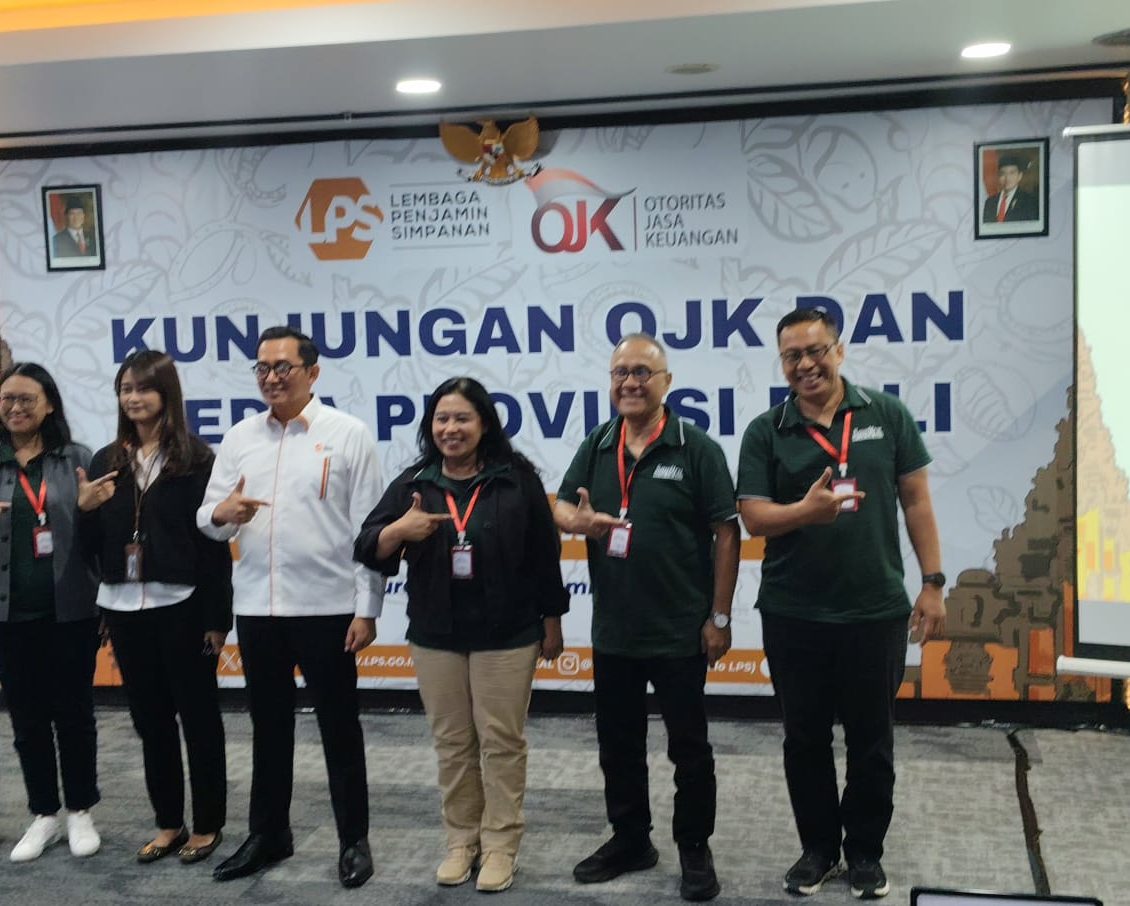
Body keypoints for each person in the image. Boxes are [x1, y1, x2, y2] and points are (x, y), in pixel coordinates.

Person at [736, 308, 945, 900]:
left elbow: (917, 502)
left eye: (815, 351)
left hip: (874, 612)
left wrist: (933, 582)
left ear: (839, 350)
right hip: (793, 614)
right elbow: (753, 516)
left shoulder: (887, 414)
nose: (805, 365)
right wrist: (805, 512)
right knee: (804, 740)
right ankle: (819, 850)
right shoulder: (766, 430)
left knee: (871, 741)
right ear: (781, 363)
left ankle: (866, 854)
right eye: (792, 356)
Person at [354, 377, 567, 894]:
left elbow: (545, 555)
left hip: (508, 633)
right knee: (452, 743)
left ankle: (500, 845)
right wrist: (398, 532)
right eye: (442, 419)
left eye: (462, 418)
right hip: (436, 634)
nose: (451, 428)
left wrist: (553, 621)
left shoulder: (516, 479)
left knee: (501, 742)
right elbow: (366, 546)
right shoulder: (415, 483)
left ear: (484, 424)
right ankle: (461, 842)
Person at [552, 334, 739, 902]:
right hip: (615, 630)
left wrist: (719, 616)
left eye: (641, 372)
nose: (629, 383)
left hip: (681, 629)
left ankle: (694, 846)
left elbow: (727, 533)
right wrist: (577, 522)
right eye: (620, 373)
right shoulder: (597, 442)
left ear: (665, 382)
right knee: (618, 745)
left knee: (689, 747)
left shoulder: (696, 448)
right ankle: (631, 839)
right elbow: (559, 505)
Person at [198, 325, 383, 888]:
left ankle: (353, 839)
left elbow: (370, 530)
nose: (271, 377)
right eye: (262, 368)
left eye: (283, 367)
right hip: (259, 608)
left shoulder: (348, 435)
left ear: (312, 372)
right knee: (269, 728)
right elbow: (208, 520)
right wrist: (223, 513)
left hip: (328, 608)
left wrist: (368, 608)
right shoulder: (240, 437)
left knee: (339, 729)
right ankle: (269, 834)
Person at [77, 350, 233, 865]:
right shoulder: (106, 460)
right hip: (123, 607)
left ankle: (207, 825)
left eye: (144, 388)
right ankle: (169, 822)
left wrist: (217, 618)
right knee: (150, 721)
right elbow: (90, 546)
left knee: (199, 719)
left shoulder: (197, 459)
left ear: (167, 394)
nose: (134, 398)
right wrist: (84, 511)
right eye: (126, 389)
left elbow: (213, 546)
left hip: (182, 605)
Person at [0, 363, 102, 863]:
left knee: (74, 714)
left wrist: (91, 510)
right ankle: (44, 814)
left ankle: (80, 810)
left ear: (49, 404)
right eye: (7, 399)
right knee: (27, 718)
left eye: (27, 399)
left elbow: (100, 533)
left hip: (71, 610)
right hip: (3, 615)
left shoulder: (77, 458)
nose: (15, 408)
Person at [981, 154, 1039, 224]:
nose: (1007, 178)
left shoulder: (1029, 201)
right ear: (999, 177)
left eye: (1012, 173)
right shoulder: (989, 202)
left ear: (1019, 176)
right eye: (1003, 173)